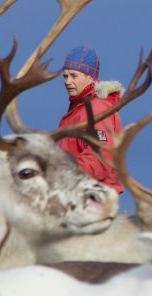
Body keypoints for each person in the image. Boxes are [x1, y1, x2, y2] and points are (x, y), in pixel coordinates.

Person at [58, 45, 124, 193]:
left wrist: (59, 172)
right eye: (65, 76)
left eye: (74, 76)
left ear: (90, 78)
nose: (67, 81)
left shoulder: (96, 109)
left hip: (92, 199)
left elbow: (100, 158)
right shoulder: (78, 110)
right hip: (76, 192)